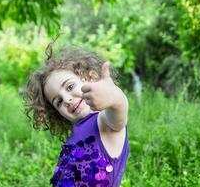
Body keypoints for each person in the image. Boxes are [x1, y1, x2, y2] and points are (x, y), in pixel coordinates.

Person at [24, 45, 129, 187]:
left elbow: (119, 111)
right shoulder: (76, 133)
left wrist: (114, 96)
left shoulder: (104, 122)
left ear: (92, 77)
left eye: (70, 86)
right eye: (58, 101)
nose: (67, 99)